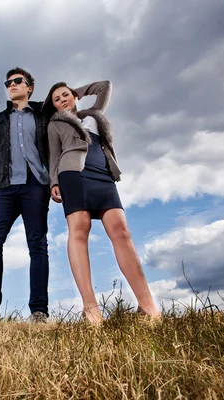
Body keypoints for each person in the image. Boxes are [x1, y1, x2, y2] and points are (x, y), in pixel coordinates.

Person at [43, 80, 161, 326]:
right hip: (72, 174)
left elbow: (104, 86)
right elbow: (54, 155)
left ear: (74, 97)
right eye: (57, 98)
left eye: (66, 95)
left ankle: (148, 307)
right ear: (53, 106)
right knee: (79, 230)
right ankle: (91, 310)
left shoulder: (94, 115)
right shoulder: (55, 124)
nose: (63, 99)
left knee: (121, 231)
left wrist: (77, 91)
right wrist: (54, 181)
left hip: (103, 174)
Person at [0, 67, 50, 323]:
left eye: (18, 81)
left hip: (35, 185)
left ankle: (39, 312)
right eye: (8, 82)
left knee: (37, 246)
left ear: (30, 87)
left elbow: (71, 101)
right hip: (2, 188)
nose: (12, 85)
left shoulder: (44, 114)